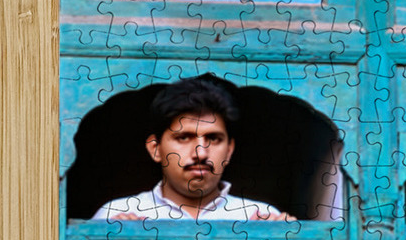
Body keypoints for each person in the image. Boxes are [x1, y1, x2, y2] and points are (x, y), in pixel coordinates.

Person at [92, 76, 294, 221]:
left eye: (213, 138)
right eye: (183, 138)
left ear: (229, 150)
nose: (200, 153)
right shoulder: (115, 216)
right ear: (155, 149)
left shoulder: (260, 218)